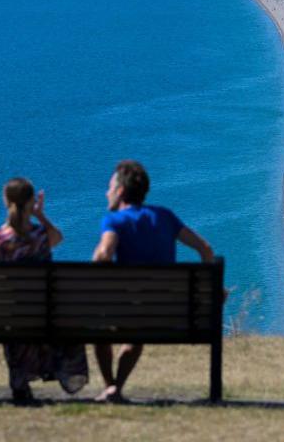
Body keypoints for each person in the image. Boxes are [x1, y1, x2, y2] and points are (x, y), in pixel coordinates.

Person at [92, 160, 214, 403]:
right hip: (167, 314)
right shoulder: (165, 216)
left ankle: (110, 386)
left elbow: (104, 254)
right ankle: (115, 389)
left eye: (109, 188)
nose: (106, 193)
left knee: (100, 331)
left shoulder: (114, 221)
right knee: (136, 334)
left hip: (129, 310)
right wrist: (209, 288)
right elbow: (204, 248)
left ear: (120, 192)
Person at [0, 177, 88, 403]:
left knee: (17, 313)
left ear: (6, 201)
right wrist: (40, 215)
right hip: (45, 311)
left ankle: (19, 381)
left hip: (14, 314)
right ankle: (57, 371)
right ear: (32, 202)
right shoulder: (41, 235)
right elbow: (58, 238)